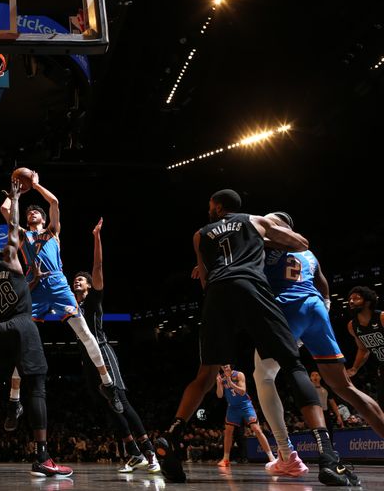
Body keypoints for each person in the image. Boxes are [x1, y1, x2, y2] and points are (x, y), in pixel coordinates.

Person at [154, 189, 359, 486]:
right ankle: (328, 457)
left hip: (216, 296)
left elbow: (207, 278)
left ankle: (171, 435)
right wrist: (264, 237)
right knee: (293, 364)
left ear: (217, 207)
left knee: (205, 375)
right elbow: (301, 242)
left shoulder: (200, 234)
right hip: (251, 288)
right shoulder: (254, 221)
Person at [0, 179, 72, 478]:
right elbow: (14, 227)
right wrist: (16, 198)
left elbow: (18, 289)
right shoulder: (13, 264)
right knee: (38, 387)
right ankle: (42, 456)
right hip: (22, 325)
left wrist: (32, 283)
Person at [253, 214, 384, 477]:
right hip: (316, 308)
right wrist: (325, 303)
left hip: (289, 306)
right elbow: (322, 281)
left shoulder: (264, 243)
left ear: (279, 227)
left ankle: (286, 453)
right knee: (344, 387)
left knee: (263, 375)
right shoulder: (307, 251)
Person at [0, 171, 122, 424]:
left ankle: (108, 385)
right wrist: (15, 194)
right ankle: (13, 401)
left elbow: (54, 203)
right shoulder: (24, 235)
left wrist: (36, 185)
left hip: (57, 284)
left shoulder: (53, 232)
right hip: (34, 288)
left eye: (36, 212)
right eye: (29, 212)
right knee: (22, 344)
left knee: (86, 333)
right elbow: (5, 210)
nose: (32, 214)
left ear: (43, 219)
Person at [72, 218, 160, 473]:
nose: (77, 281)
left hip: (102, 351)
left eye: (81, 280)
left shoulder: (94, 298)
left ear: (89, 285)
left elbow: (98, 265)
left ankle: (150, 453)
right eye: (75, 279)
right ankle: (133, 453)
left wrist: (96, 237)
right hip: (86, 360)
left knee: (121, 400)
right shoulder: (71, 306)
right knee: (108, 408)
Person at [215, 364, 275, 467]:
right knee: (228, 431)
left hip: (245, 405)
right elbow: (220, 395)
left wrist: (231, 383)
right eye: (222, 365)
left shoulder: (239, 375)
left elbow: (242, 392)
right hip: (232, 407)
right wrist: (218, 383)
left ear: (230, 365)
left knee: (256, 429)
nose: (224, 366)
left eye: (226, 364)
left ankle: (271, 457)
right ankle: (225, 459)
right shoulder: (221, 378)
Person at [347, 286, 384, 406]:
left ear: (368, 301)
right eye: (350, 299)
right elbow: (363, 349)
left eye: (356, 298)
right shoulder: (352, 326)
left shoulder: (382, 317)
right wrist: (354, 368)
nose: (351, 301)